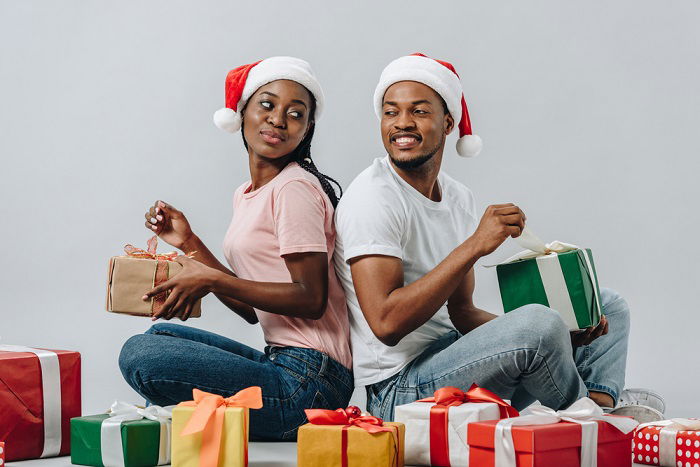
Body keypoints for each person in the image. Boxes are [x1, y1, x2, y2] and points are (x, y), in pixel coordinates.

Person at [333, 53, 664, 422]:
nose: (402, 124)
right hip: (401, 392)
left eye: (419, 111)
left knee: (604, 304)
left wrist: (561, 337)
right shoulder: (371, 198)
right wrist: (474, 246)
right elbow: (385, 324)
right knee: (539, 322)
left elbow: (462, 312)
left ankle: (600, 406)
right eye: (390, 112)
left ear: (447, 124)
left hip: (456, 358)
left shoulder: (457, 197)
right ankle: (597, 424)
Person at [119, 56, 353, 440]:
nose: (278, 119)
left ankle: (175, 430)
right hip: (285, 363)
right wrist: (190, 243)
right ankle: (183, 430)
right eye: (267, 104)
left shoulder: (294, 188)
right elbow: (251, 311)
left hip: (310, 384)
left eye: (295, 114)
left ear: (307, 129)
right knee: (159, 339)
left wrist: (211, 278)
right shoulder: (247, 195)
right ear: (242, 112)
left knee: (140, 356)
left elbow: (310, 298)